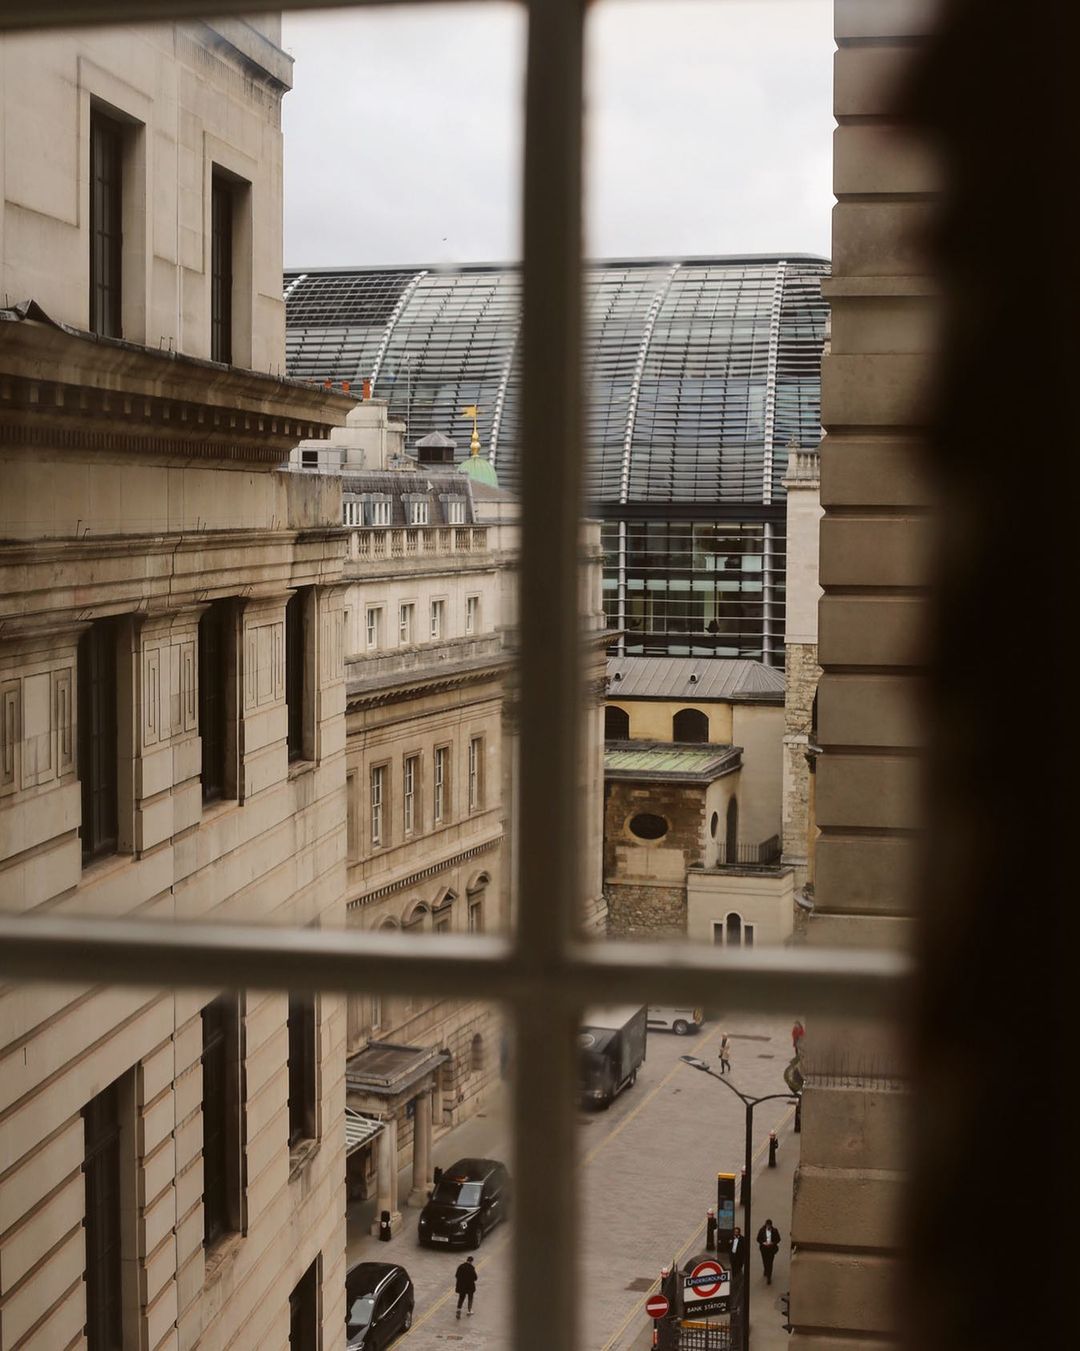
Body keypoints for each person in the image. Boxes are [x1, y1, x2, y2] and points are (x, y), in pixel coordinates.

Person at [756, 1219, 781, 1285]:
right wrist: (763, 1243)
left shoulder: (775, 1231)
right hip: (764, 1249)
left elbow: (778, 1239)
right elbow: (758, 1239)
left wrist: (773, 1243)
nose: (768, 1226)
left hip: (771, 1249)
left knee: (770, 1262)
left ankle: (769, 1277)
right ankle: (766, 1269)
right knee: (765, 1261)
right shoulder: (762, 1230)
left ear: (771, 1225)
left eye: (769, 1225)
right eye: (767, 1225)